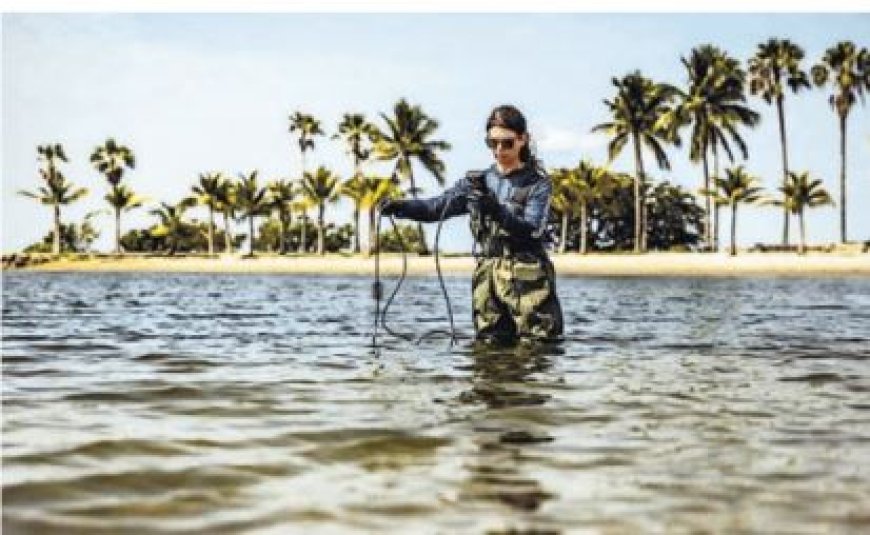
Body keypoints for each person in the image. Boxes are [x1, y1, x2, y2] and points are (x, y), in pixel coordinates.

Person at [380, 104, 564, 344]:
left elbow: (532, 229)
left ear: (523, 140)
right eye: (492, 143)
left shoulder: (538, 184)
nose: (499, 150)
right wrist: (401, 207)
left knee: (539, 346)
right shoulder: (475, 183)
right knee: (488, 348)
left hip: (528, 275)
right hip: (487, 277)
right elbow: (436, 207)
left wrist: (495, 210)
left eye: (507, 143)